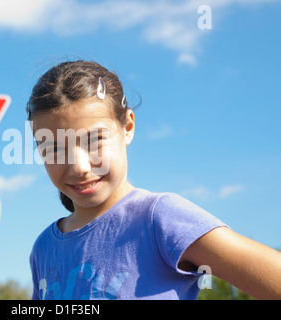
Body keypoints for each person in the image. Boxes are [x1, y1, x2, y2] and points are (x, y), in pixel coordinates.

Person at [27, 60, 281, 300]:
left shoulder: (160, 218)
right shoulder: (43, 248)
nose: (79, 167)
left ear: (127, 127)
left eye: (94, 140)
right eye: (55, 148)